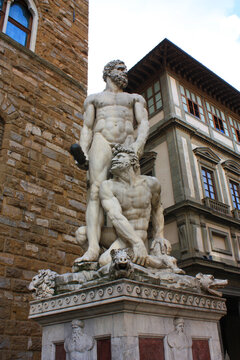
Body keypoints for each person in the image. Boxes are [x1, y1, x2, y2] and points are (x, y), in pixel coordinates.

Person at [78, 60, 149, 262]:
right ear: (108, 72)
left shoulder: (134, 98)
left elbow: (143, 123)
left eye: (125, 69)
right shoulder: (93, 99)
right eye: (120, 69)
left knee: (129, 190)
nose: (124, 72)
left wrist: (138, 146)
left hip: (127, 142)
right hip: (101, 140)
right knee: (95, 190)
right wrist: (83, 151)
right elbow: (87, 128)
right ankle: (92, 248)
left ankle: (131, 241)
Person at [98, 145, 172, 267]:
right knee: (82, 234)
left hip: (139, 233)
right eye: (114, 157)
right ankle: (153, 262)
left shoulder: (151, 183)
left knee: (104, 261)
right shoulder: (108, 186)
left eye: (120, 156)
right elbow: (116, 217)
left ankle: (159, 264)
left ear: (132, 161)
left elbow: (157, 208)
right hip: (121, 234)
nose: (114, 159)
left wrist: (159, 235)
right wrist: (137, 243)